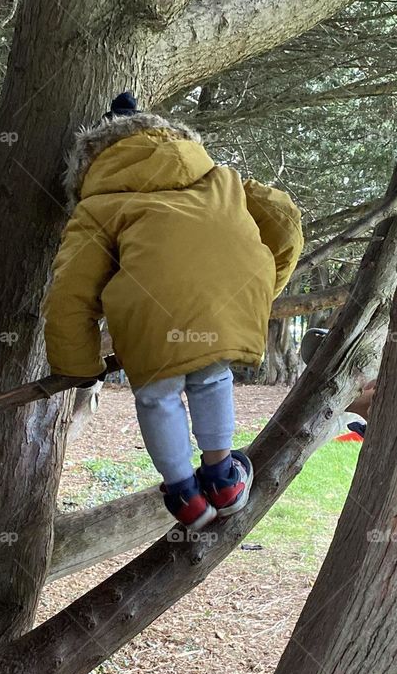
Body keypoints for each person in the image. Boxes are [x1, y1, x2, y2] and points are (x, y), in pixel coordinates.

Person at [43, 92, 304, 529]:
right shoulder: (220, 178)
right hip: (220, 303)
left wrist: (78, 367)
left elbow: (70, 292)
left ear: (93, 160)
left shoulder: (99, 205)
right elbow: (283, 218)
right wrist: (258, 290)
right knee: (211, 377)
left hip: (149, 318)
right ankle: (223, 477)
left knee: (157, 395)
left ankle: (185, 496)